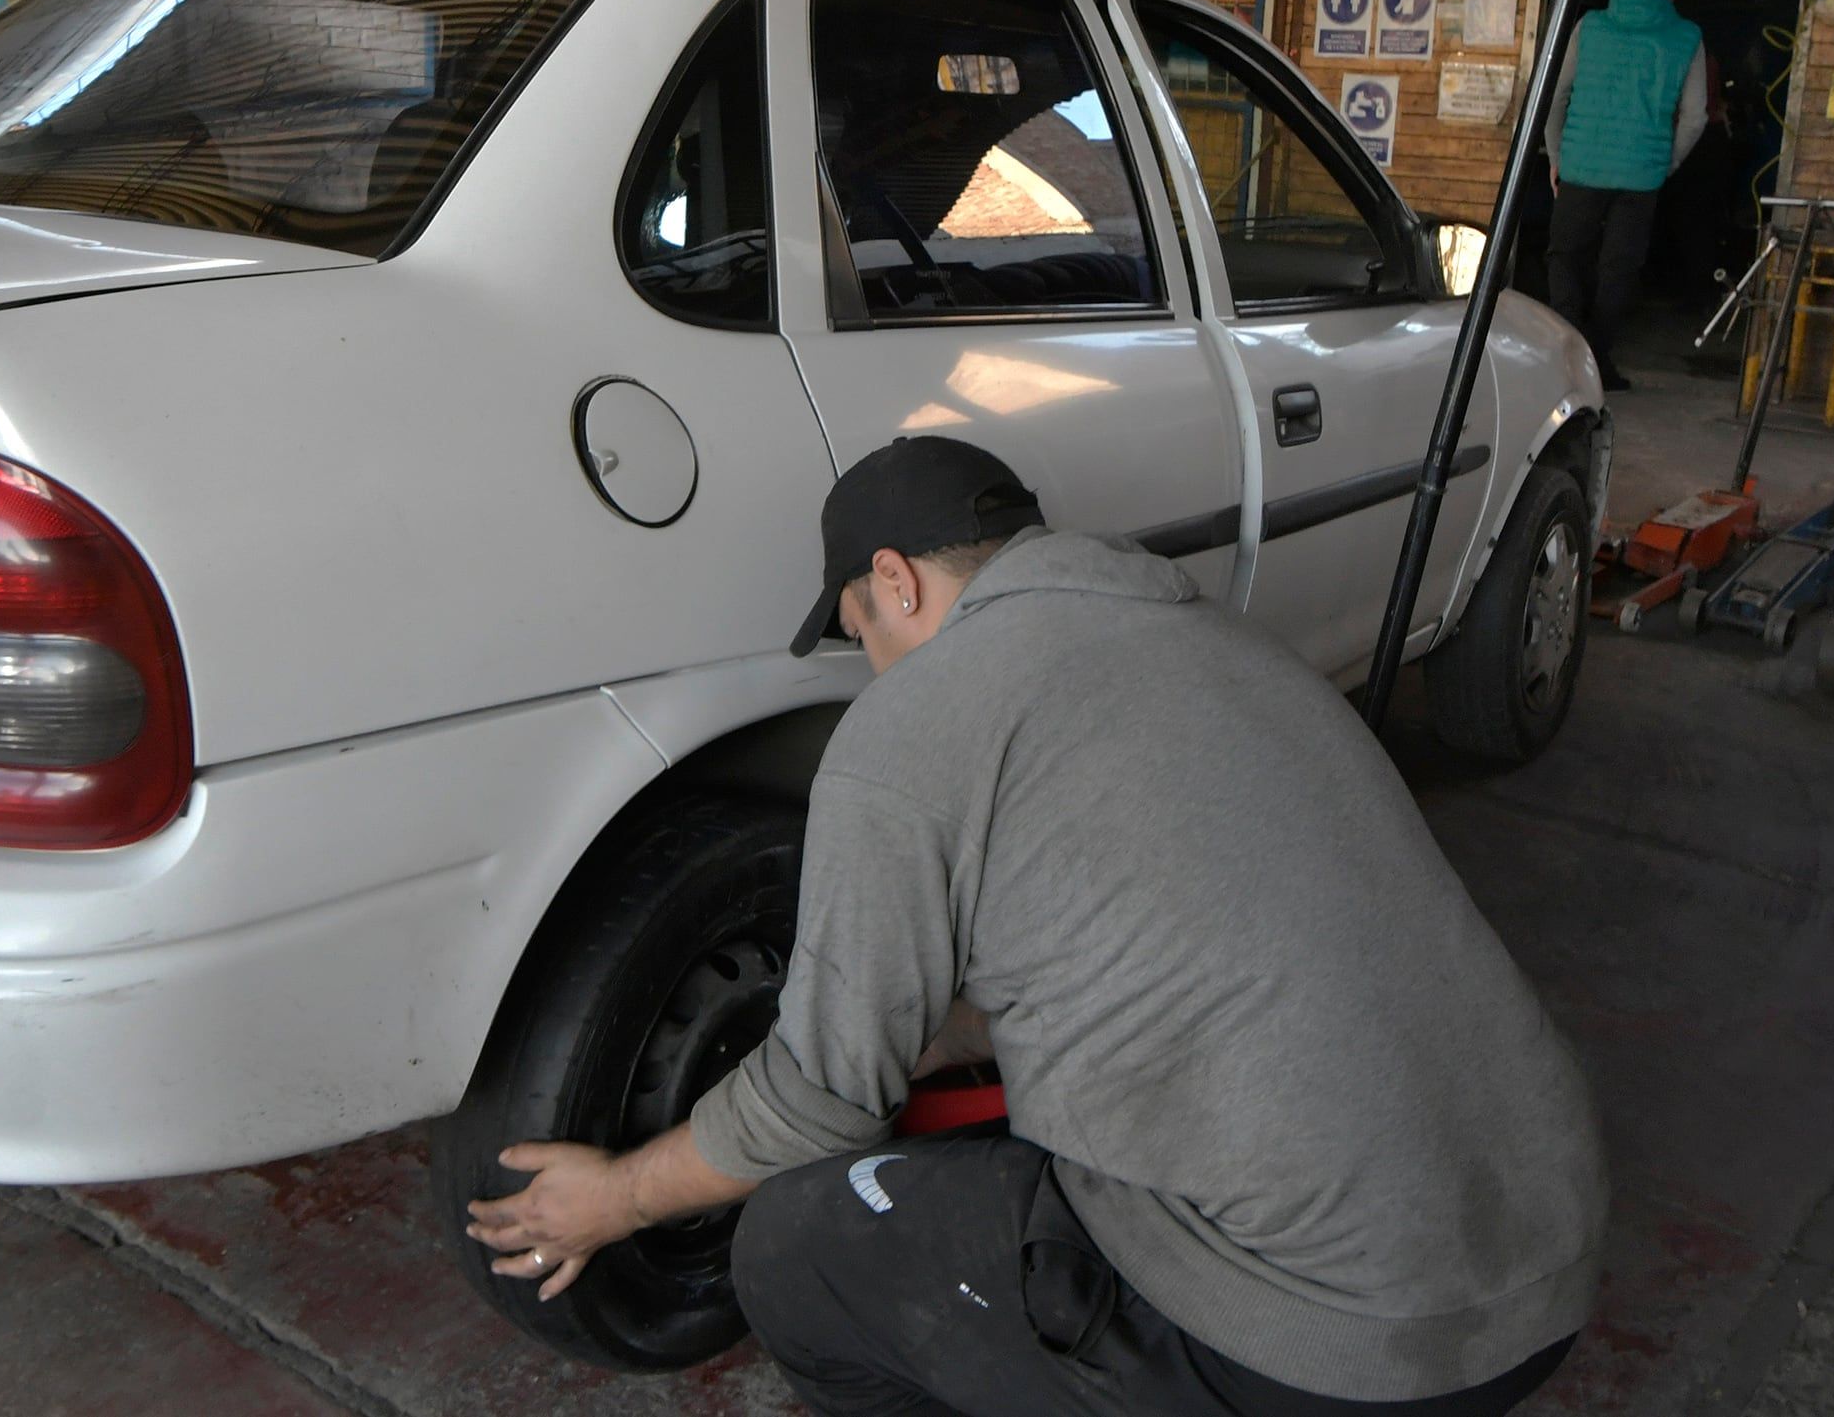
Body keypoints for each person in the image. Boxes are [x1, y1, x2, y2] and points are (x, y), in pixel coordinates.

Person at [466, 436, 1608, 1416]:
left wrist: (613, 1197)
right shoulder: (1225, 645)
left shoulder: (917, 718)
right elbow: (1156, 943)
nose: (872, 664)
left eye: (859, 630)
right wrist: (949, 1032)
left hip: (1335, 1351)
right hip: (1546, 1259)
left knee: (798, 1245)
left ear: (894, 582)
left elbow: (818, 1100)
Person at [1542, 0, 1708, 389]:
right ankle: (1597, 362)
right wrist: (1665, 163)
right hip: (1641, 176)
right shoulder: (1688, 38)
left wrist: (1556, 155)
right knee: (1619, 268)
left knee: (1565, 257)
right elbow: (1695, 117)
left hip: (1580, 166)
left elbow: (1556, 95)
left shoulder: (1590, 26)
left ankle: (1565, 359)